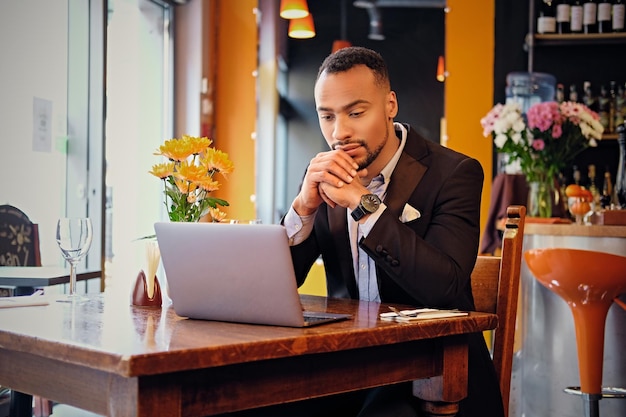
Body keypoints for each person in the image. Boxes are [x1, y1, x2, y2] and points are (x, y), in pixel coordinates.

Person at [281, 46, 504, 417]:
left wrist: (361, 202)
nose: (340, 132)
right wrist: (303, 209)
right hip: (346, 367)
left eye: (356, 112)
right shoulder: (319, 174)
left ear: (390, 105)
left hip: (433, 372)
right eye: (327, 116)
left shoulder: (455, 173)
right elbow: (281, 283)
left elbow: (443, 286)